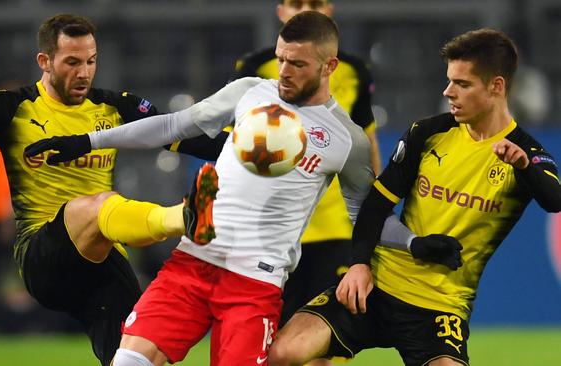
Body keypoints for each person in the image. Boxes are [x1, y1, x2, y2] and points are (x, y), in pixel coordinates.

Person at [25, 12, 462, 366]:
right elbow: (173, 125)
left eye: (297, 64)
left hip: (254, 285)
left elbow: (364, 215)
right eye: (280, 59)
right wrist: (85, 141)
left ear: (329, 66)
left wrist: (414, 242)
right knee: (128, 362)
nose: (284, 72)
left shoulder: (345, 139)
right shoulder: (251, 92)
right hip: (193, 262)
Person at [0, 13, 218, 366]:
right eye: (72, 62)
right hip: (44, 258)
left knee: (136, 357)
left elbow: (187, 140)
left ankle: (186, 218)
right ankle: (186, 216)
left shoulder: (113, 106)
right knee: (94, 205)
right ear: (45, 61)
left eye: (91, 61)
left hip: (102, 261)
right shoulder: (13, 107)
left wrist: (248, 147)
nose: (84, 72)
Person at [268, 28, 561, 366]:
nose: (448, 92)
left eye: (462, 84)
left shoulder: (525, 153)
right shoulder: (430, 133)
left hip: (440, 307)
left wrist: (523, 166)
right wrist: (360, 264)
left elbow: (553, 199)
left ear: (496, 86)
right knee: (283, 353)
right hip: (377, 284)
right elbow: (376, 204)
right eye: (449, 80)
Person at [231, 1, 381, 345]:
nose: (304, 10)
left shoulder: (355, 70)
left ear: (329, 8)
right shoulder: (253, 68)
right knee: (269, 343)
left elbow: (367, 143)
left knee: (326, 341)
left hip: (334, 226)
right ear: (279, 9)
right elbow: (232, 145)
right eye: (296, 3)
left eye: (313, 3)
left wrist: (374, 217)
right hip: (271, 231)